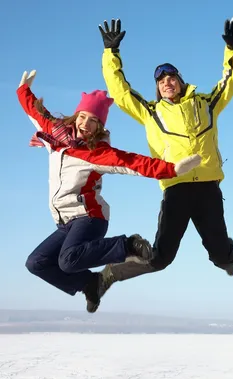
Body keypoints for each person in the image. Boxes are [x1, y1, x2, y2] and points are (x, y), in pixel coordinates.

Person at [17, 70, 201, 312]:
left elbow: (132, 163)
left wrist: (172, 170)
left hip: (90, 219)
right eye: (82, 117)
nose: (85, 124)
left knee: (68, 260)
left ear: (99, 127)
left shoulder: (97, 154)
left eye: (92, 121)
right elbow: (35, 112)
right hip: (65, 223)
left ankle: (128, 246)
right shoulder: (55, 135)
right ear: (75, 117)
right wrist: (23, 90)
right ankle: (90, 283)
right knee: (36, 263)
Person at [95, 17, 233, 297]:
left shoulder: (206, 104)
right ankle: (112, 273)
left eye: (171, 77)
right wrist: (110, 53)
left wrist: (232, 48)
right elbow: (120, 91)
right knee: (160, 257)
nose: (167, 82)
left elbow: (231, 79)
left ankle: (230, 256)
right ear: (157, 87)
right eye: (161, 80)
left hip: (208, 189)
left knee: (221, 257)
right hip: (175, 188)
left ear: (180, 80)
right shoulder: (150, 112)